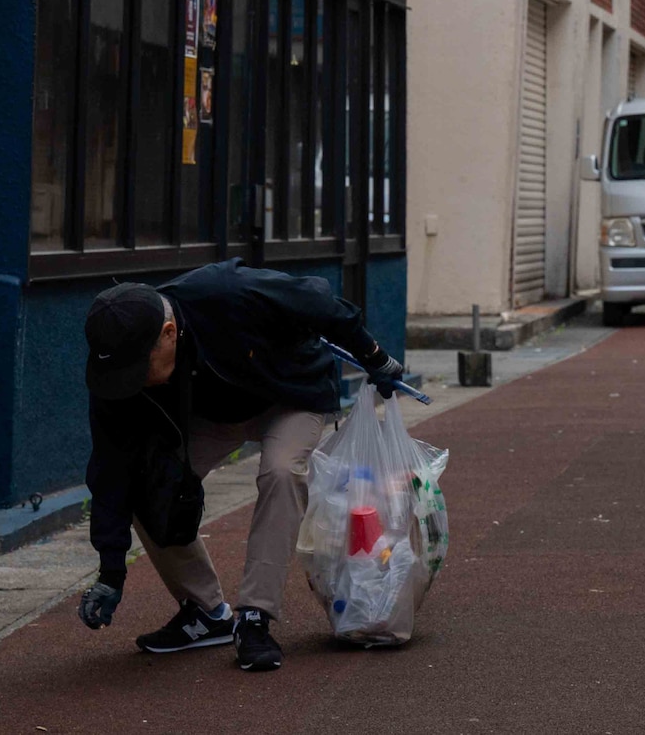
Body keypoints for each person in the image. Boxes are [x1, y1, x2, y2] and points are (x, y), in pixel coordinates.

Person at [75, 262, 408, 671]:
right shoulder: (115, 376)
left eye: (138, 371)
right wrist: (111, 572)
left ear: (167, 334)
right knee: (146, 487)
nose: (131, 383)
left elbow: (321, 300)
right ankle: (205, 612)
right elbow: (111, 471)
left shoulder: (226, 292)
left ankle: (255, 617)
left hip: (288, 395)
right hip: (212, 416)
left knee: (281, 472)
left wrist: (374, 356)